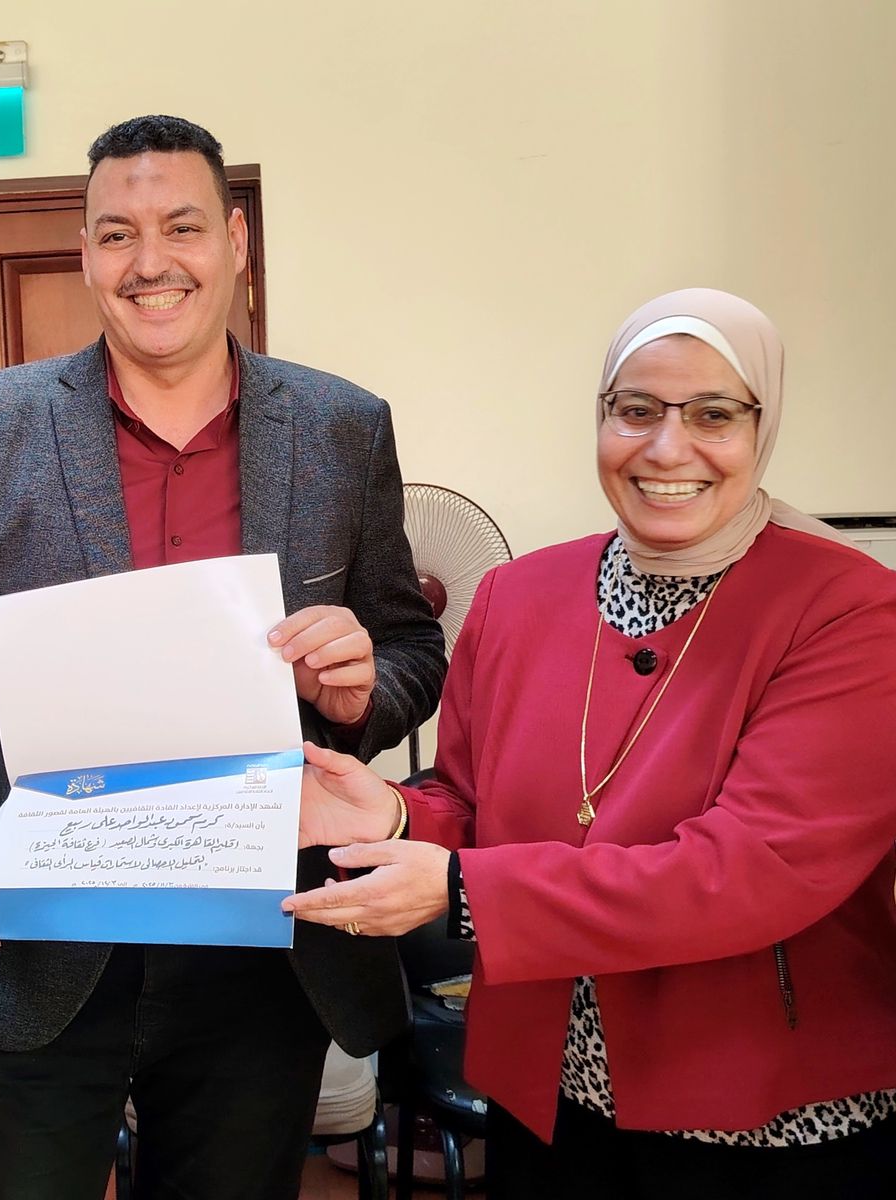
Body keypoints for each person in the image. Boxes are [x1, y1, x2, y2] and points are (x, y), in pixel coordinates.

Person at [0, 114, 445, 1200]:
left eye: (181, 226)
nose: (150, 261)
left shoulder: (342, 427)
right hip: (31, 940)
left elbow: (408, 645)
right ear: (85, 255)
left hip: (260, 947)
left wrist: (360, 688)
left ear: (234, 241)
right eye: (117, 234)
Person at [284, 288, 896, 1198]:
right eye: (636, 409)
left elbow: (751, 871)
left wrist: (462, 893)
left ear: (762, 424)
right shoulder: (518, 596)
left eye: (713, 414)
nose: (667, 448)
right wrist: (397, 814)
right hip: (551, 1093)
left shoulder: (850, 611)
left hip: (762, 1111)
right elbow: (470, 801)